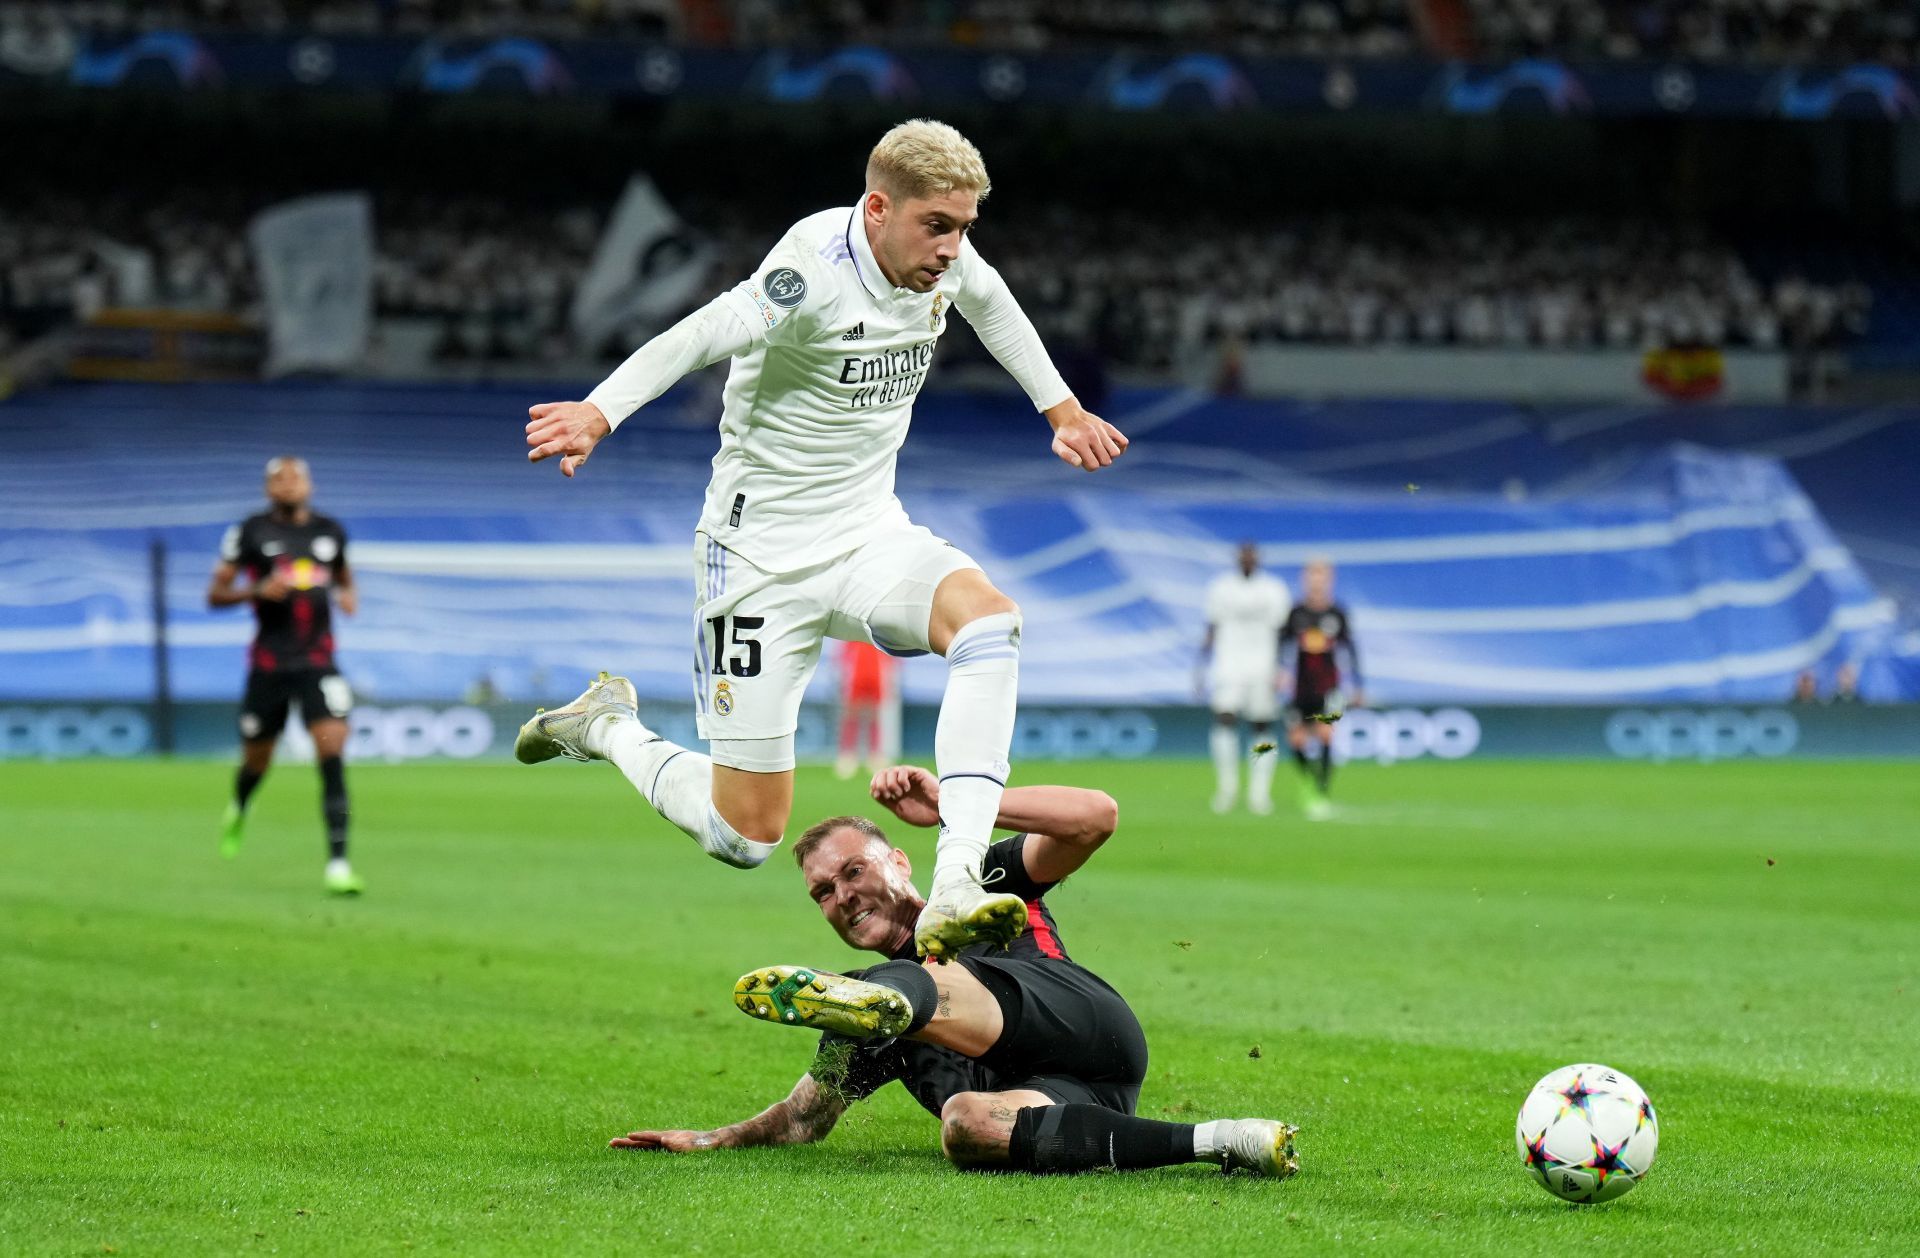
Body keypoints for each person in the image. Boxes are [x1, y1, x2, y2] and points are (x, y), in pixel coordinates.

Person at [515, 118, 1128, 960]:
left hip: (868, 534)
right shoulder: (811, 269)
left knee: (989, 623)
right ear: (877, 208)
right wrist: (600, 409)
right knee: (746, 836)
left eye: (965, 229)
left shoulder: (944, 265)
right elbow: (705, 330)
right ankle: (607, 726)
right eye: (938, 227)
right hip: (758, 561)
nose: (954, 248)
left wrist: (1060, 410)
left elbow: (994, 306)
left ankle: (953, 880)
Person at [608, 765, 1300, 1178]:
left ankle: (904, 1003)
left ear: (900, 862)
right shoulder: (856, 1005)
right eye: (824, 892)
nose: (843, 896)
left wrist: (955, 809)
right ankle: (1224, 1140)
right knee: (966, 1126)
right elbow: (800, 1122)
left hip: (1079, 1018)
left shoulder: (972, 881)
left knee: (908, 989)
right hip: (1078, 1094)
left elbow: (1096, 817)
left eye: (853, 871)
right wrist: (705, 1140)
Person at [207, 456, 363, 895]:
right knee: (257, 759)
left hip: (319, 662)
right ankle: (240, 805)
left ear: (309, 485)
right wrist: (253, 590)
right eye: (281, 479)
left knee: (332, 754)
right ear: (268, 488)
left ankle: (338, 864)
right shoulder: (249, 531)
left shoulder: (330, 531)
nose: (290, 485)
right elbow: (215, 593)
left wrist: (348, 596)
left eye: (297, 478)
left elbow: (345, 579)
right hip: (269, 666)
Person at [1197, 541, 1291, 815]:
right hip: (1229, 664)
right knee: (1224, 718)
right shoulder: (1221, 587)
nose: (1247, 560)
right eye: (1243, 556)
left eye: (1252, 556)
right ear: (1237, 559)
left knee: (1261, 725)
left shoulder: (1273, 589)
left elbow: (1283, 633)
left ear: (1258, 559)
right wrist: (1201, 669)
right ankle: (1227, 789)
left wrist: (1283, 667)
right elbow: (1211, 627)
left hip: (1264, 665)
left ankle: (1259, 793)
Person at [1281, 559, 1361, 821]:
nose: (1317, 580)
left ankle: (1321, 792)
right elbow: (1281, 645)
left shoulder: (1337, 613)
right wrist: (1279, 670)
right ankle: (1309, 780)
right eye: (1312, 575)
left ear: (1329, 579)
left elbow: (1350, 650)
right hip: (1301, 688)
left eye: (1322, 575)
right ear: (1305, 579)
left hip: (1328, 687)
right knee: (1296, 740)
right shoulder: (1296, 613)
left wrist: (1358, 685)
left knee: (1326, 734)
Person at [834, 639, 901, 780]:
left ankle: (875, 756)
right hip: (857, 671)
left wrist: (891, 675)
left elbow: (892, 652)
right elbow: (843, 653)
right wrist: (842, 674)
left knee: (874, 716)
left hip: (876, 672)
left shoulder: (880, 630)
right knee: (852, 713)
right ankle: (848, 756)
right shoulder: (853, 629)